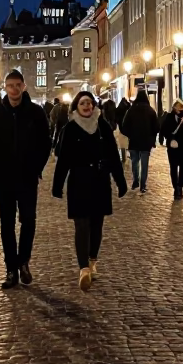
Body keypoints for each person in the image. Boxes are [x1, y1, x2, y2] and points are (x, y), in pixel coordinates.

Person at [0, 69, 52, 289]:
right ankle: (11, 268)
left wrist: (36, 166)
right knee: (7, 224)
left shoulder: (35, 113)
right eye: (10, 85)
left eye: (17, 85)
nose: (13, 89)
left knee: (28, 220)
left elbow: (45, 143)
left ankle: (24, 262)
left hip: (28, 176)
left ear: (23, 86)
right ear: (5, 88)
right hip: (4, 177)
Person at [52, 90, 127, 290]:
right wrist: (57, 184)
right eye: (83, 103)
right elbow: (64, 160)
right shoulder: (70, 128)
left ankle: (93, 260)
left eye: (90, 103)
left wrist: (120, 181)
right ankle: (83, 268)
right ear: (76, 106)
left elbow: (113, 156)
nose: (87, 106)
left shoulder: (102, 126)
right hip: (79, 183)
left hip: (100, 182)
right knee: (81, 225)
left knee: (96, 225)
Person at [121, 88, 159, 193]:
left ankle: (135, 180)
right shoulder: (151, 110)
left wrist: (130, 135)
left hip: (134, 141)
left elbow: (124, 126)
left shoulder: (131, 110)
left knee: (135, 162)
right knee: (144, 163)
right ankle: (143, 184)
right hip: (146, 142)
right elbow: (156, 127)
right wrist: (152, 137)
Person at [159, 99, 183, 201]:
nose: (179, 109)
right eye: (177, 107)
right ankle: (176, 188)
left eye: (181, 107)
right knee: (173, 168)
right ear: (174, 108)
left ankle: (180, 187)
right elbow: (163, 130)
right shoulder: (169, 117)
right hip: (172, 147)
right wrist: (168, 138)